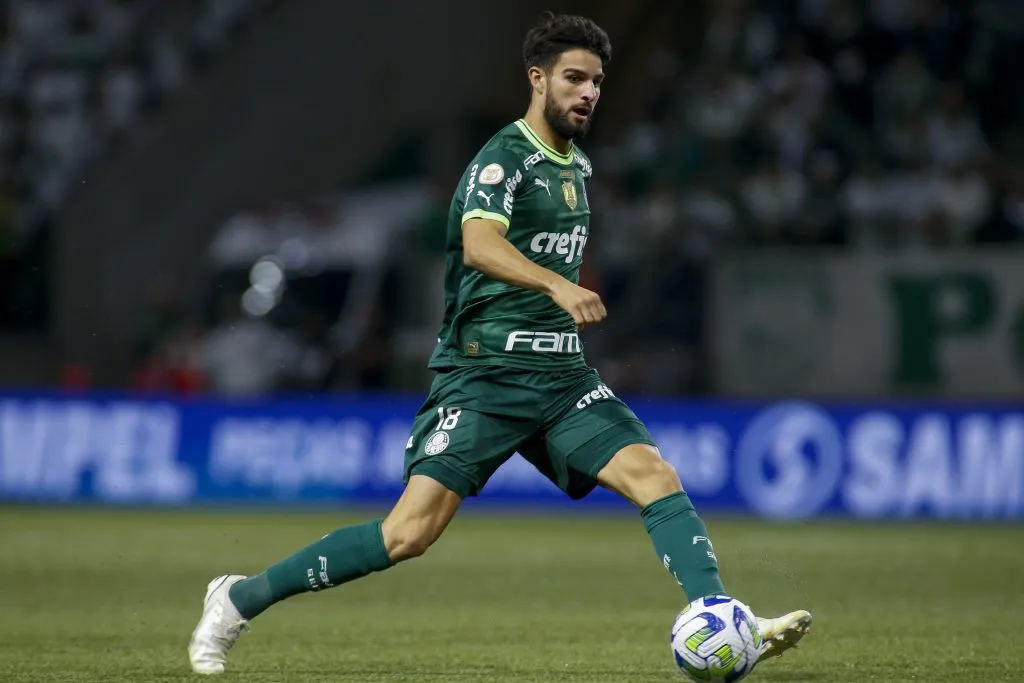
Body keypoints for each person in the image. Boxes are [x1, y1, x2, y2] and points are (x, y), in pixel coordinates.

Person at [188, 12, 812, 675]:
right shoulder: (502, 159)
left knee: (654, 476)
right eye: (574, 78)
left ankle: (723, 618)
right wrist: (556, 287)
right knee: (408, 534)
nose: (588, 93)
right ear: (537, 79)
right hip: (485, 376)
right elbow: (480, 244)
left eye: (597, 81)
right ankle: (238, 597)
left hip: (561, 378)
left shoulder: (576, 166)